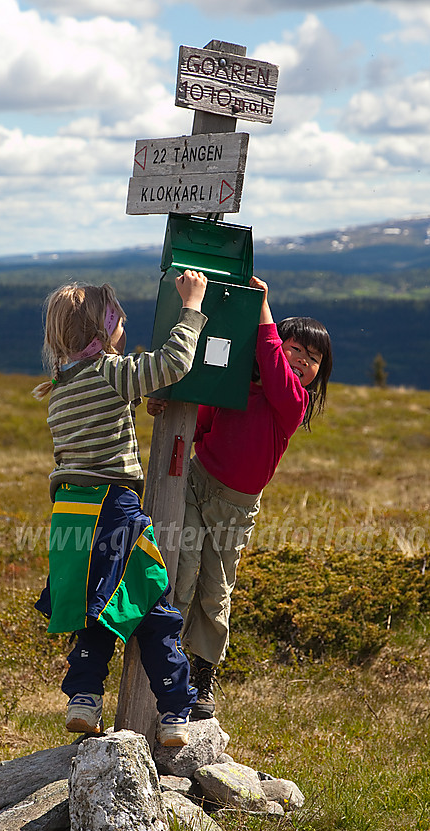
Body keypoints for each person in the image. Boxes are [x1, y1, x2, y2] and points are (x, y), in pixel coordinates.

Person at [32, 270, 208, 746]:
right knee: (151, 603)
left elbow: (90, 434)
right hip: (114, 508)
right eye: (120, 323)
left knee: (93, 610)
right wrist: (191, 307)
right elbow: (173, 363)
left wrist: (135, 402)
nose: (124, 331)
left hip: (70, 512)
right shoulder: (111, 372)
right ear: (102, 331)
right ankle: (175, 712)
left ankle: (84, 698)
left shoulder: (61, 388)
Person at [147, 276, 332, 719]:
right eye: (297, 350)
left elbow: (272, 364)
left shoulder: (292, 401)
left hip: (236, 506)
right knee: (181, 574)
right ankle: (167, 669)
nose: (304, 361)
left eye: (314, 359)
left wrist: (262, 308)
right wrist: (165, 404)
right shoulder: (235, 391)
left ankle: (202, 679)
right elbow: (199, 422)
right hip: (197, 484)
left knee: (216, 591)